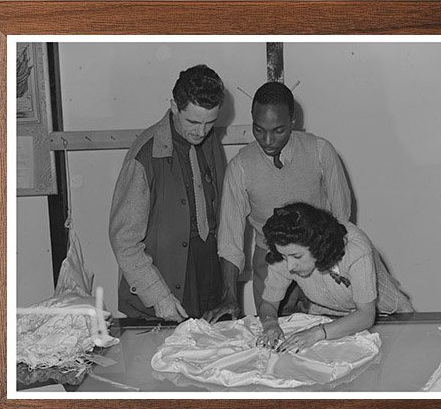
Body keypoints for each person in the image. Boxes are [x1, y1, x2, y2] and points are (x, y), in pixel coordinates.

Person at [207, 81, 351, 323]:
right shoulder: (241, 167)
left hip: (321, 258)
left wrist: (331, 271)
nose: (268, 140)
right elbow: (230, 240)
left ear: (293, 122)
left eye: (279, 130)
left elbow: (342, 218)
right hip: (270, 261)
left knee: (325, 339)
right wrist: (230, 295)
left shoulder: (320, 151)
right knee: (274, 339)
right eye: (259, 129)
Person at [109, 64, 227, 322]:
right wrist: (158, 296)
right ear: (174, 106)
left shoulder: (210, 139)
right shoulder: (144, 156)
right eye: (193, 122)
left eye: (210, 123)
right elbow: (124, 241)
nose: (201, 132)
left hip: (207, 275)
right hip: (163, 283)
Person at [255, 202, 413, 353]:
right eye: (284, 256)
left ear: (317, 246)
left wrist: (316, 333)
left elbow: (366, 315)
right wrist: (270, 324)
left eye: (297, 256)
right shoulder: (285, 251)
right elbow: (269, 303)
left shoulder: (355, 248)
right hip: (328, 319)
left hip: (385, 316)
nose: (290, 266)